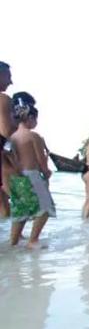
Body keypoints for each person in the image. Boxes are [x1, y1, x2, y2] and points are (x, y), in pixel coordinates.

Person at [8, 97, 56, 248]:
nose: (36, 122)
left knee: (20, 211)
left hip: (16, 177)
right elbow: (40, 161)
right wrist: (47, 171)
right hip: (32, 175)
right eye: (36, 119)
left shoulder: (12, 137)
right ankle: (33, 240)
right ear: (30, 117)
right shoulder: (33, 136)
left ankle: (13, 242)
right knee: (45, 208)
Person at [0, 62, 15, 218]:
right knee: (27, 202)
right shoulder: (3, 99)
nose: (11, 82)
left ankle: (12, 242)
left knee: (3, 205)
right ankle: (17, 241)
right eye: (8, 77)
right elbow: (6, 131)